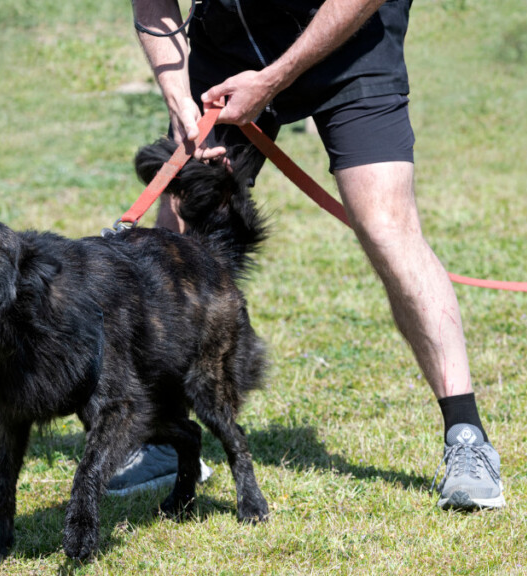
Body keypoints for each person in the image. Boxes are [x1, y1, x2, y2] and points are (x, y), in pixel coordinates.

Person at [106, 0, 504, 511]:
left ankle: (466, 437)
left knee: (387, 225)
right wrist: (180, 99)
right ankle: (166, 436)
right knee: (177, 228)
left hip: (352, 41)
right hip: (231, 41)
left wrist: (272, 80)